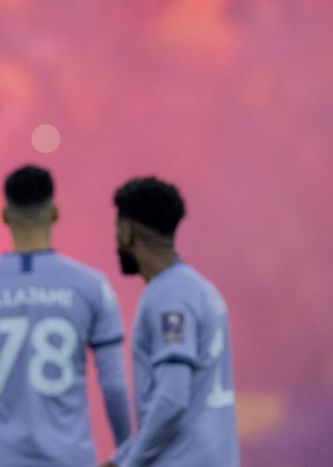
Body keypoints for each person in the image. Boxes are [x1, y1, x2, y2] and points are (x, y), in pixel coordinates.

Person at [0, 165, 131, 466]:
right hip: (70, 457)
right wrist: (128, 453)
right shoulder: (92, 286)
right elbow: (113, 383)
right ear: (54, 213)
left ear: (4, 215)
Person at [103, 177, 239, 467]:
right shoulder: (199, 289)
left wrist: (131, 463)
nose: (115, 241)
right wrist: (120, 457)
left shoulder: (169, 296)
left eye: (116, 229)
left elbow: (172, 398)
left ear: (127, 231)